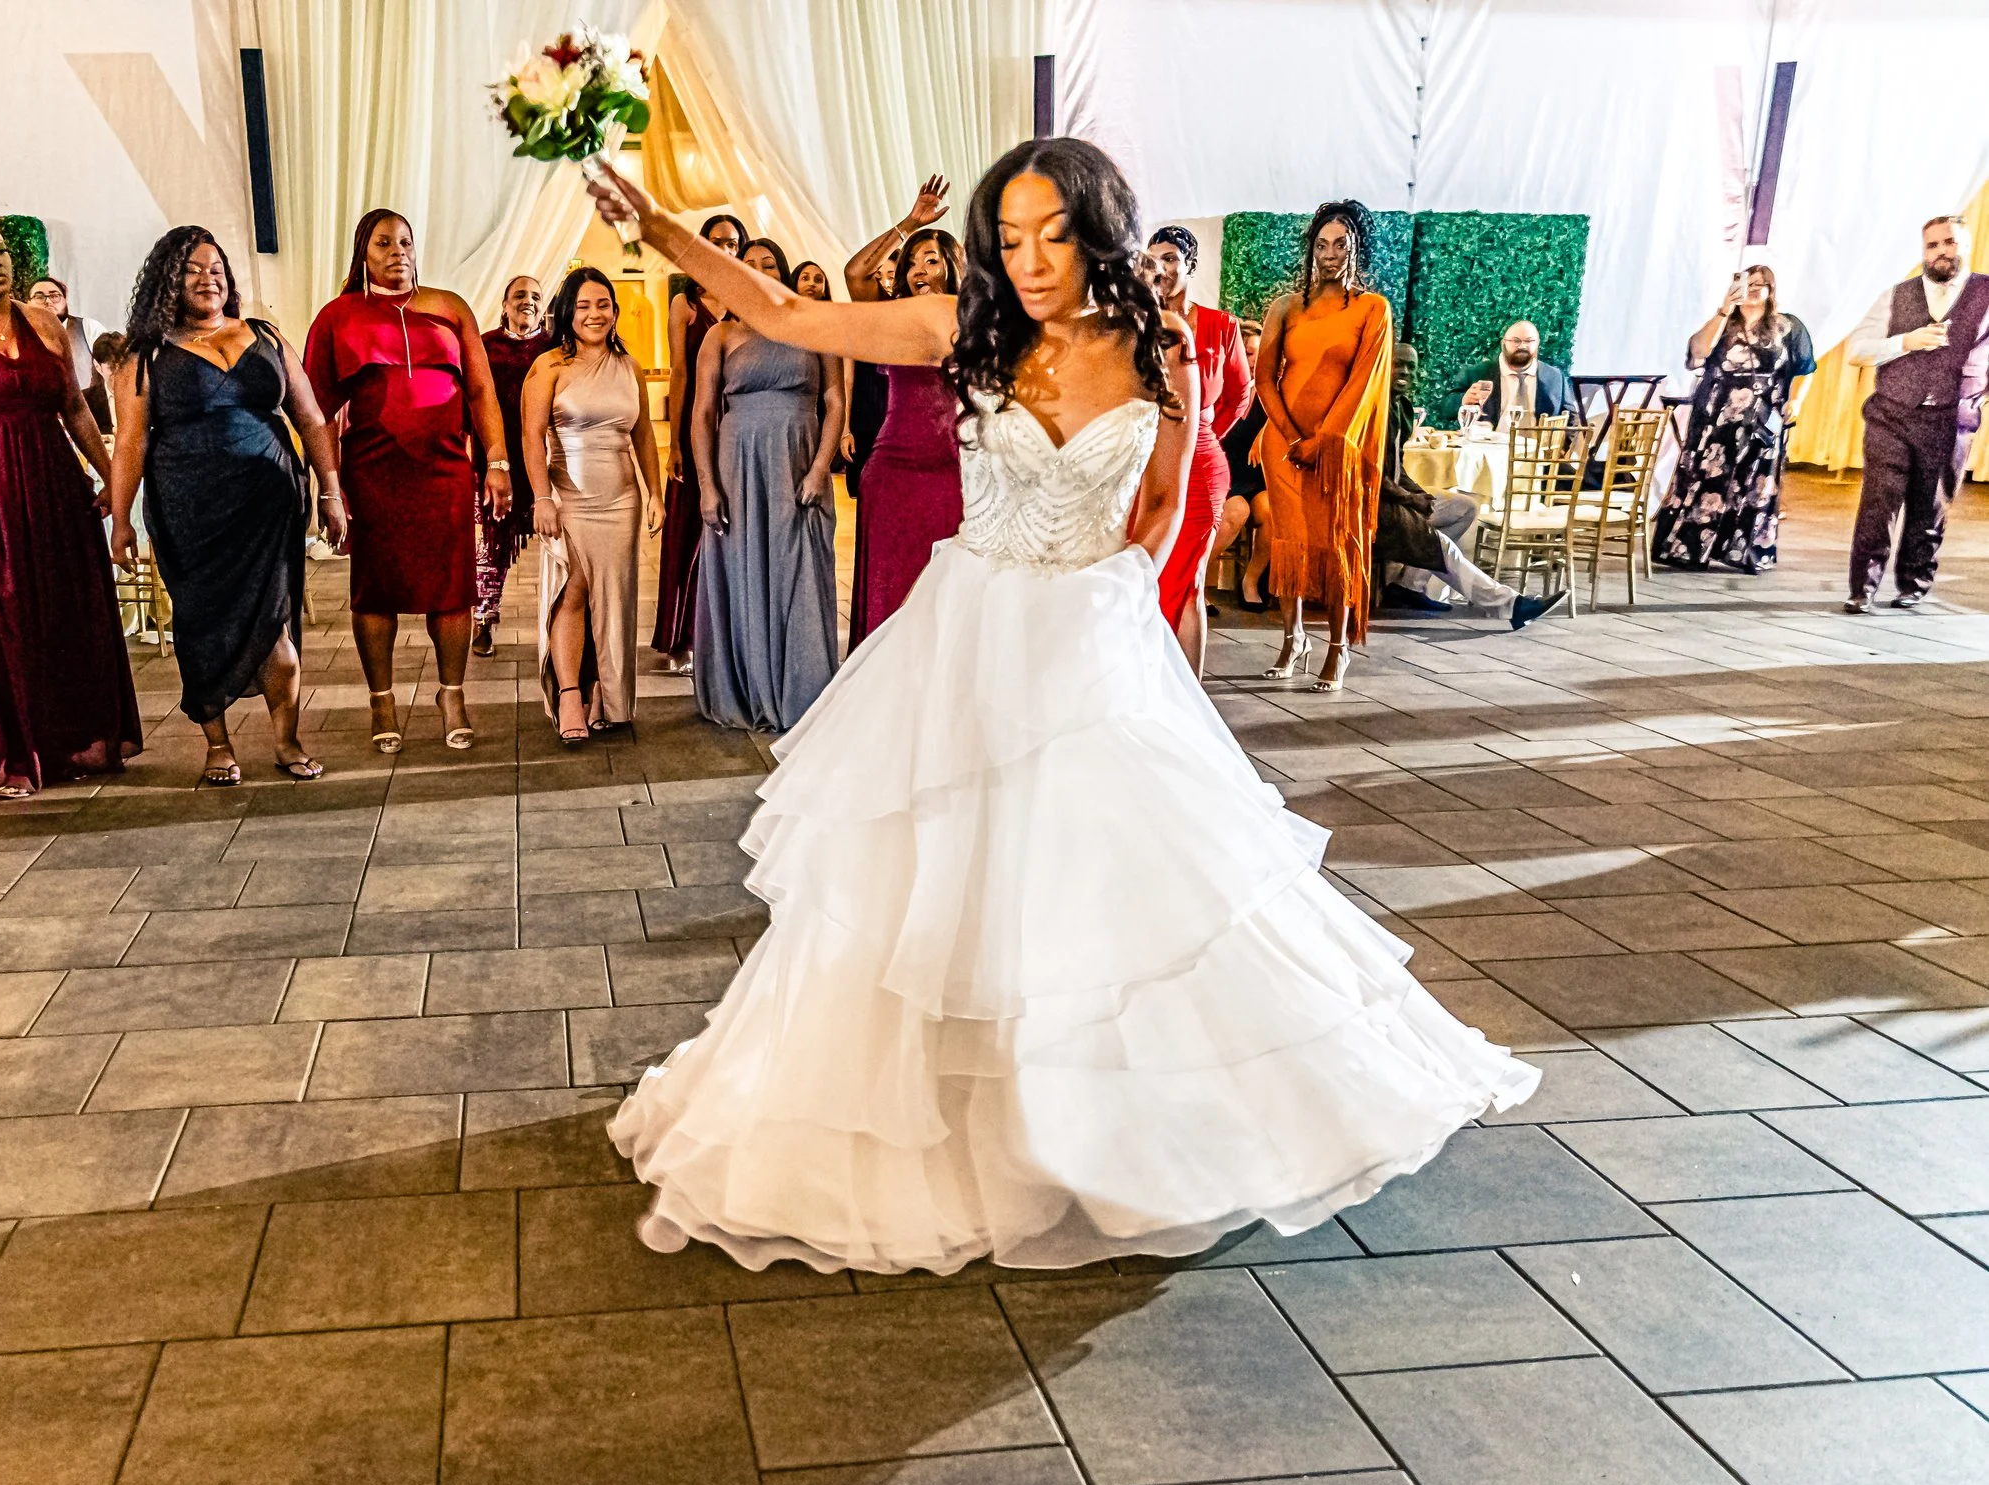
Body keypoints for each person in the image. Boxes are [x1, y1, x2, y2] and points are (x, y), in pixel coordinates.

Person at [578, 141, 1535, 1275]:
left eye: (1051, 234)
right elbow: (783, 307)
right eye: (1010, 236)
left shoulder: (1159, 347)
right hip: (970, 630)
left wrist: (1123, 589)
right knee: (941, 876)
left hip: (1093, 635)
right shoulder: (959, 326)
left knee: (1101, 883)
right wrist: (656, 228)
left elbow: (1172, 496)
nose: (1027, 260)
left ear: (1099, 230)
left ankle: (1100, 1119)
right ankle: (952, 1117)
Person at [0, 216, 142, 798]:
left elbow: (76, 410)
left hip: (51, 480)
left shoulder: (44, 324)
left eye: (2, 250)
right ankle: (6, 753)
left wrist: (113, 481)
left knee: (65, 610)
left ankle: (68, 741)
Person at [108, 226, 348, 787]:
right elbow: (130, 443)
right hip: (192, 513)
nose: (207, 278)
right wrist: (121, 520)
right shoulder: (146, 355)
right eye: (192, 269)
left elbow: (311, 417)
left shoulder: (264, 335)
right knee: (202, 622)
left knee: (277, 630)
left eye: (216, 268)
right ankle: (217, 744)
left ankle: (287, 740)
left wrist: (332, 490)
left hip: (269, 510)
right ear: (169, 280)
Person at [302, 209, 512, 750]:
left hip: (443, 471)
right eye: (383, 243)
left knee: (452, 588)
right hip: (372, 474)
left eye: (405, 242)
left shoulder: (449, 307)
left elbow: (483, 392)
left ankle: (452, 694)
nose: (397, 251)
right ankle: (382, 703)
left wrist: (497, 460)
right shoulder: (338, 316)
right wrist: (329, 486)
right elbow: (316, 411)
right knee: (376, 591)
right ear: (362, 253)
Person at [689, 237, 844, 731]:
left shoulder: (814, 326)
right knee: (744, 567)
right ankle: (749, 685)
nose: (758, 270)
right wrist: (707, 486)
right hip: (738, 465)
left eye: (768, 264)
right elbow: (703, 412)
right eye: (748, 265)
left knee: (800, 568)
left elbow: (836, 401)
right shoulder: (721, 336)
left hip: (799, 461)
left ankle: (803, 690)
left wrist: (820, 468)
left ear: (782, 271)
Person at [1254, 200, 1393, 693]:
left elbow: (1363, 384)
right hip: (1283, 445)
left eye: (1341, 245)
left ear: (1356, 250)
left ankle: (1337, 649)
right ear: (1310, 249)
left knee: (1336, 546)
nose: (1330, 254)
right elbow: (1264, 377)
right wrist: (1293, 437)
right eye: (1322, 245)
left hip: (1335, 451)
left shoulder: (1372, 309)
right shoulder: (1287, 307)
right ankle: (1293, 641)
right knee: (1289, 546)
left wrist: (1324, 440)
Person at [522, 268, 662, 744]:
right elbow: (530, 436)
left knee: (615, 599)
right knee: (574, 591)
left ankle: (606, 693)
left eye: (603, 304)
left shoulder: (630, 366)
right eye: (583, 306)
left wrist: (655, 493)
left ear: (616, 311)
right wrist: (543, 497)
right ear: (566, 312)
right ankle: (568, 695)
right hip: (570, 495)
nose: (594, 314)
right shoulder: (549, 367)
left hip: (622, 497)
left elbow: (642, 434)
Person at [841, 186, 965, 648]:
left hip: (953, 472)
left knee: (946, 596)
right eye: (912, 261)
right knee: (890, 596)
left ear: (953, 265)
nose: (918, 270)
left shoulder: (973, 318)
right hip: (892, 473)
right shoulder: (891, 315)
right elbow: (855, 272)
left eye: (931, 260)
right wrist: (909, 224)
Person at [1844, 214, 1988, 612]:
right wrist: (1905, 341)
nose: (1942, 251)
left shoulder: (1987, 293)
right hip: (1891, 413)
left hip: (1951, 419)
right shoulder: (1896, 295)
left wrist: (1977, 398)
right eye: (1933, 244)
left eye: (1950, 242)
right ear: (1923, 251)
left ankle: (1914, 584)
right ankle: (1862, 590)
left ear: (1966, 244)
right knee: (1877, 504)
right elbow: (1857, 349)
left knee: (1930, 507)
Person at [1380, 343, 1566, 626]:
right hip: (1377, 505)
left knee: (1463, 507)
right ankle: (1509, 605)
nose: (1404, 371)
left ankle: (1408, 586)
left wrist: (1419, 494)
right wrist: (1409, 499)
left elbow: (1396, 465)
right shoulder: (1373, 409)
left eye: (1410, 366)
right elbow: (1368, 473)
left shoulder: (1402, 407)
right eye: (1397, 364)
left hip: (1399, 498)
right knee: (1439, 546)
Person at [1143, 226, 1253, 673]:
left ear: (1191, 264)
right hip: (1142, 461)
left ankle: (1189, 691)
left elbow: (1239, 395)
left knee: (1189, 579)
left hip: (1201, 461)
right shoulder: (1135, 322)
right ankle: (1147, 679)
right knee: (1143, 574)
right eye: (1153, 260)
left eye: (1171, 258)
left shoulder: (1219, 325)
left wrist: (1200, 436)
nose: (1161, 269)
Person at [1654, 265, 1800, 577]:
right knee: (1708, 478)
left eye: (1763, 284)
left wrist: (1794, 400)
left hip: (1761, 416)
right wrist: (1723, 310)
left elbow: (1803, 368)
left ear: (1772, 290)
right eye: (1750, 283)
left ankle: (1742, 550)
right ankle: (1690, 547)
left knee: (1753, 483)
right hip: (1717, 413)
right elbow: (1698, 352)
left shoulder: (1787, 327)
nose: (1755, 289)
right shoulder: (1724, 322)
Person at [656, 212, 750, 672]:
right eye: (718, 242)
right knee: (687, 532)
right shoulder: (686, 304)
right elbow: (679, 373)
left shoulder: (753, 301)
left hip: (739, 424)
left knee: (733, 528)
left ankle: (725, 632)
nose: (727, 251)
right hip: (696, 422)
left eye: (734, 243)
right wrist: (674, 442)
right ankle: (681, 639)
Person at [475, 274, 550, 656]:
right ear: (504, 305)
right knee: (492, 547)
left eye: (536, 296)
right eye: (519, 295)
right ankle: (484, 619)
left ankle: (564, 622)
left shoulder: (556, 348)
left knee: (560, 544)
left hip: (547, 463)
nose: (528, 301)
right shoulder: (484, 347)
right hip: (495, 461)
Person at [1216, 316, 1273, 612]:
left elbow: (1285, 420)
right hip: (1227, 472)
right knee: (1237, 511)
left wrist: (1265, 432)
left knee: (1270, 511)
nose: (1253, 361)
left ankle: (1251, 580)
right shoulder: (1221, 387)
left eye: (1257, 353)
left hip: (1258, 475)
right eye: (1248, 353)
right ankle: (1194, 582)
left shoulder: (1271, 389)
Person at [27, 277, 112, 437]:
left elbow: (114, 371)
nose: (48, 301)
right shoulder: (18, 337)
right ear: (27, 302)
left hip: (94, 426)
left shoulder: (88, 328)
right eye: (39, 296)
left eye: (54, 295)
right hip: (41, 430)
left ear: (65, 300)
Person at [1463, 320, 1569, 426]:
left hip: (1538, 442)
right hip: (1489, 441)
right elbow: (1447, 407)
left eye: (1529, 341)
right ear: (1503, 342)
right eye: (1515, 341)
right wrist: (1464, 400)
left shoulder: (1555, 376)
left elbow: (1572, 417)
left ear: (1538, 343)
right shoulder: (1478, 372)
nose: (1522, 346)